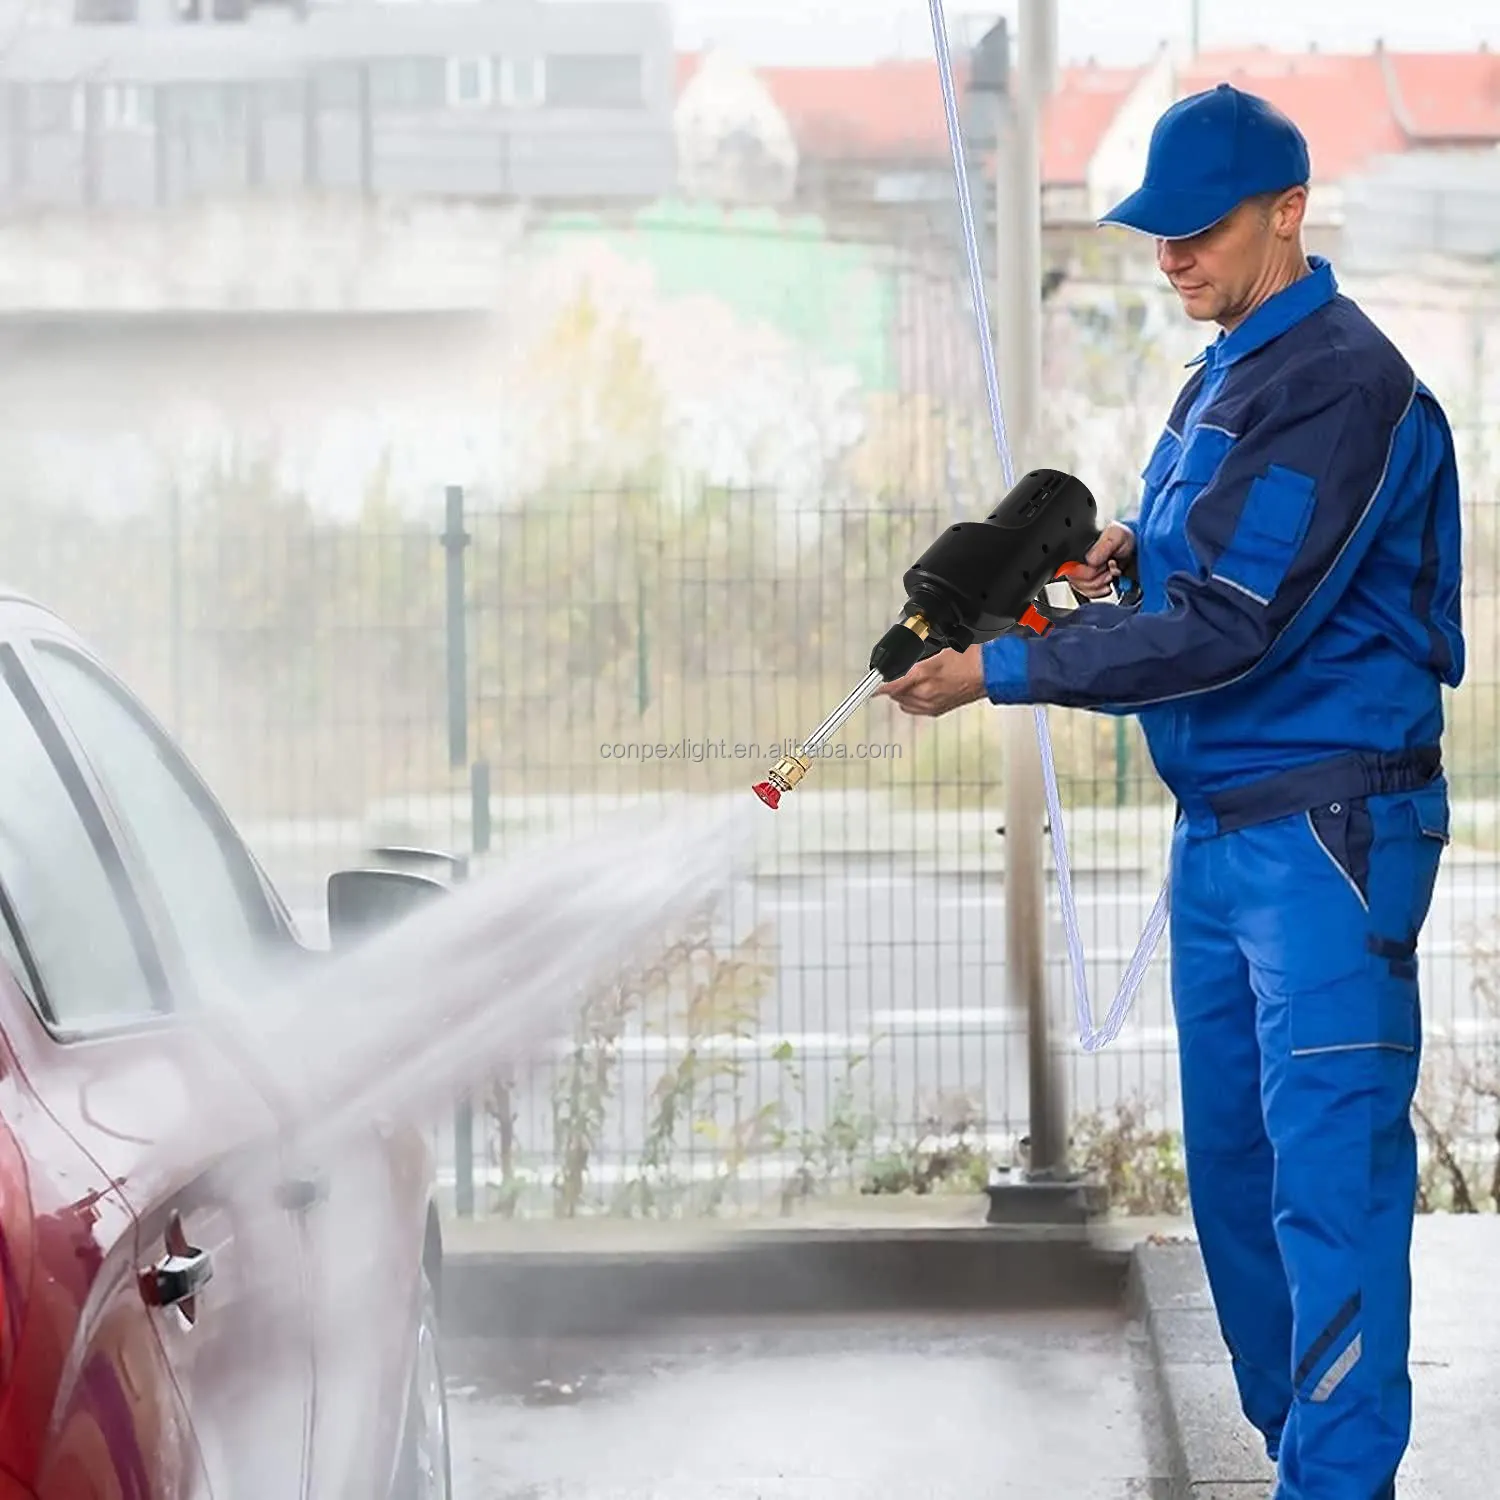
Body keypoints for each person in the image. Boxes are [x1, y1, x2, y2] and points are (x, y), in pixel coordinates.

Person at [878, 83, 1464, 1499]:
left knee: (1329, 1194)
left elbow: (1236, 624)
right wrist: (1103, 575)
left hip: (1328, 834)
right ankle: (1297, 1467)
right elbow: (1193, 581)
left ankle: (1339, 1485)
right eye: (1156, 233)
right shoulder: (1228, 375)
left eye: (1196, 232)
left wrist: (1004, 674)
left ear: (1287, 211)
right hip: (1223, 837)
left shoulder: (1339, 381)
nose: (1170, 258)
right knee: (1238, 1192)